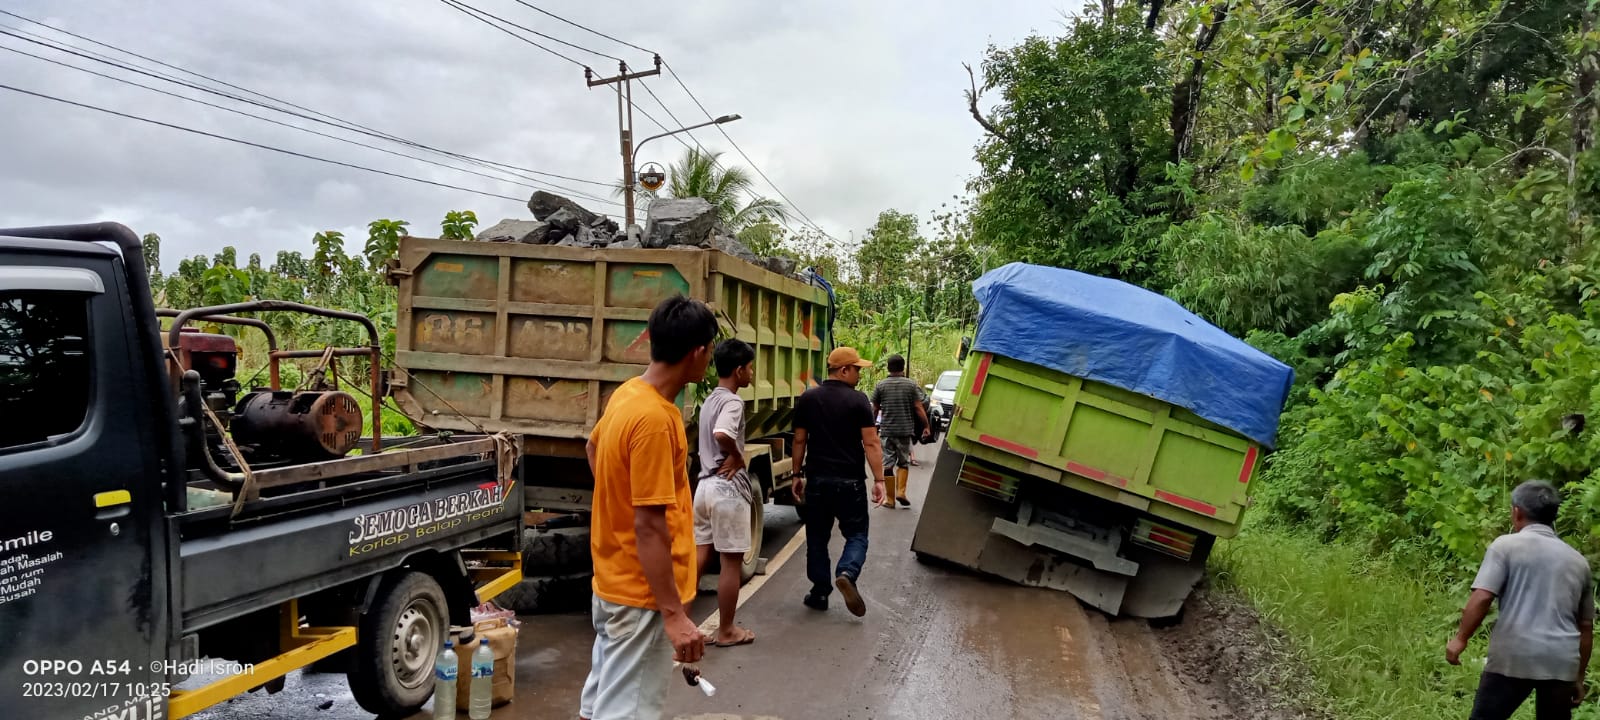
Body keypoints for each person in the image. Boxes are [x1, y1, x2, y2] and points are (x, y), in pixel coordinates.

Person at [579, 295, 717, 720]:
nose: (710, 359)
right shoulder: (656, 420)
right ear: (697, 352)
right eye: (710, 350)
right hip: (641, 597)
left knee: (600, 702)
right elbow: (650, 528)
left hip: (612, 582)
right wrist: (673, 614)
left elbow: (592, 447)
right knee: (626, 712)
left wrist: (617, 506)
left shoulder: (628, 395)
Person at [1447, 480, 1595, 720]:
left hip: (1514, 655)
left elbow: (1483, 596)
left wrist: (1460, 639)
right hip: (1560, 661)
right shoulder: (1578, 561)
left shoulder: (1505, 546)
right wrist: (1578, 677)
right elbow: (1586, 627)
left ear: (1517, 512)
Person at [792, 346, 887, 617]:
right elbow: (871, 442)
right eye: (856, 369)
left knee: (817, 537)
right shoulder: (859, 401)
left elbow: (799, 439)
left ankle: (820, 591)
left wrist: (797, 474)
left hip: (818, 480)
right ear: (843, 370)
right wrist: (879, 480)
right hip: (850, 482)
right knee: (857, 534)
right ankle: (847, 571)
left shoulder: (808, 399)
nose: (859, 374)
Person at [693, 338, 758, 648]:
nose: (752, 374)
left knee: (699, 557)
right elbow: (722, 433)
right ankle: (727, 630)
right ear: (738, 370)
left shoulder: (708, 400)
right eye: (749, 368)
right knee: (730, 562)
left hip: (703, 487)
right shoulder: (733, 402)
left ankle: (681, 624)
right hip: (726, 487)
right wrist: (737, 454)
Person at [871, 354, 930, 508]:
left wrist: (871, 427)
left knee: (888, 464)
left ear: (888, 368)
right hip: (904, 431)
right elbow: (918, 407)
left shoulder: (881, 385)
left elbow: (875, 408)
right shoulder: (911, 385)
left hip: (887, 431)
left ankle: (890, 499)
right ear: (903, 367)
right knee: (903, 462)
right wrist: (926, 426)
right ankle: (901, 492)